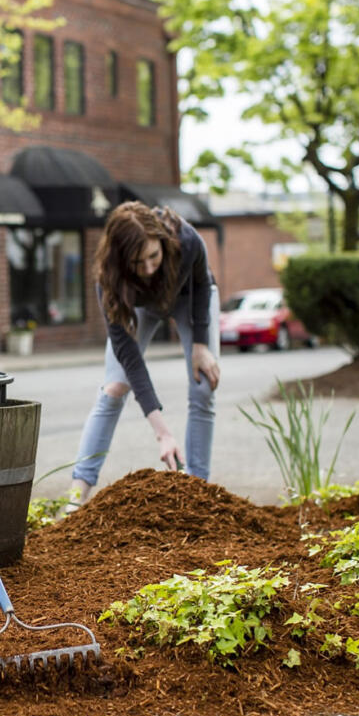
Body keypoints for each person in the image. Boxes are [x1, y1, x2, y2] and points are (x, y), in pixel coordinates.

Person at [66, 202, 220, 511]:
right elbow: (131, 360)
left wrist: (200, 345)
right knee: (114, 388)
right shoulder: (108, 282)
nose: (149, 268)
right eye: (139, 262)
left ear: (162, 242)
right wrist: (162, 433)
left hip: (190, 299)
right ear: (122, 261)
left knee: (204, 384)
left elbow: (203, 283)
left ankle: (196, 492)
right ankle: (76, 494)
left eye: (154, 256)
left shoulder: (186, 240)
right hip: (137, 304)